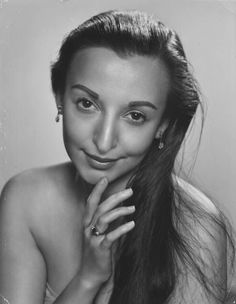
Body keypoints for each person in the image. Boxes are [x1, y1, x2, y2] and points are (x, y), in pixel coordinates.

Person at [0, 9, 234, 304]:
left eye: (135, 115)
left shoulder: (198, 230)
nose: (104, 139)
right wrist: (88, 278)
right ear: (60, 97)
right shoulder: (27, 200)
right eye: (86, 103)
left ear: (162, 125)